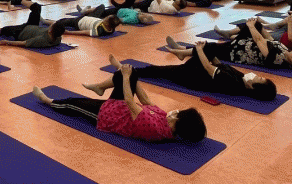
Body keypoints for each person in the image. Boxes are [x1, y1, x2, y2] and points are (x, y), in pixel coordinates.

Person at [33, 56, 206, 142]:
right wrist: (131, 76)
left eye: (179, 113)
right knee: (130, 75)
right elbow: (146, 100)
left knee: (74, 104)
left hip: (108, 117)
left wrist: (126, 77)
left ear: (178, 121)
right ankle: (101, 86)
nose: (175, 111)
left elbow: (131, 102)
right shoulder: (166, 119)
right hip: (119, 107)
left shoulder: (155, 128)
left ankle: (47, 100)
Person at [144, 41, 277, 100]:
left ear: (252, 87)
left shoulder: (233, 83)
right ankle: (182, 53)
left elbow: (208, 67)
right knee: (209, 48)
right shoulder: (243, 78)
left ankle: (136, 71)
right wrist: (206, 50)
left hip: (190, 76)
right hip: (199, 70)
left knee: (158, 71)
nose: (256, 76)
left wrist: (200, 50)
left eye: (259, 79)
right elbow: (219, 64)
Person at [180, 18, 292, 74]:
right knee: (256, 24)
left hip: (237, 53)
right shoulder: (286, 51)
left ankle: (182, 52)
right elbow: (270, 39)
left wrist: (251, 27)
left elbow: (260, 41)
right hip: (244, 44)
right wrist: (257, 27)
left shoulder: (277, 59)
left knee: (211, 48)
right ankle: (228, 33)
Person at [0, 0, 66, 48]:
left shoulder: (41, 40)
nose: (51, 25)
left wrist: (8, 42)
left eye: (51, 26)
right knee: (37, 7)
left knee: (5, 30)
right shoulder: (58, 37)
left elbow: (24, 43)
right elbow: (57, 27)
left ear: (50, 31)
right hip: (33, 25)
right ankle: (19, 0)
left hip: (21, 32)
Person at [41, 3, 121, 37]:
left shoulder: (98, 31)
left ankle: (45, 21)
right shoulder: (111, 28)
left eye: (106, 18)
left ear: (107, 24)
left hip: (79, 21)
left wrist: (69, 32)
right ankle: (84, 11)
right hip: (93, 18)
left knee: (62, 22)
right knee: (102, 6)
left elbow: (83, 32)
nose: (105, 17)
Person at [76, 3, 154, 26]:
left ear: (144, 18)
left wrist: (110, 19)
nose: (145, 13)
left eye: (146, 15)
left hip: (115, 13)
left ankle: (85, 13)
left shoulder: (132, 18)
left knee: (101, 7)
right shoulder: (137, 13)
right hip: (118, 9)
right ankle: (86, 11)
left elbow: (120, 20)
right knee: (101, 9)